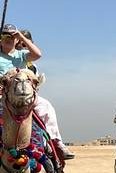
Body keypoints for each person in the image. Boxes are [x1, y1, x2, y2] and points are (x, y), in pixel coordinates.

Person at [0, 23, 75, 160]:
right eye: (5, 35)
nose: (9, 38)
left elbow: (38, 54)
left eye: (12, 36)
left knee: (46, 107)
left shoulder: (21, 55)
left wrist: (21, 36)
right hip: (3, 96)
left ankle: (57, 143)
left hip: (22, 95)